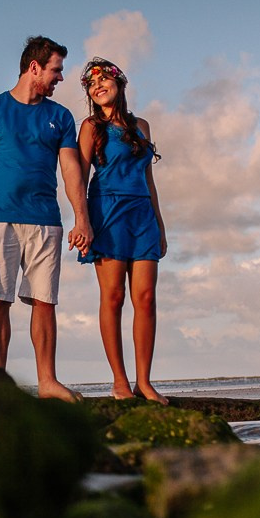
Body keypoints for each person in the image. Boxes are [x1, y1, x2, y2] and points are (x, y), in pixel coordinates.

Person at [0, 36, 93, 402]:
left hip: (45, 220)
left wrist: (81, 219)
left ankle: (47, 382)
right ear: (34, 67)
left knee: (44, 301)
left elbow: (71, 172)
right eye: (56, 70)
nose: (60, 78)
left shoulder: (60, 117)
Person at [76, 57, 168, 404]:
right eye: (91, 83)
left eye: (103, 79)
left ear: (119, 84)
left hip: (141, 213)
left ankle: (144, 382)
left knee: (145, 298)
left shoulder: (141, 124)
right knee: (113, 297)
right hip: (107, 211)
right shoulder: (90, 127)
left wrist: (159, 223)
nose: (97, 86)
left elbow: (148, 176)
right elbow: (79, 177)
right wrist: (82, 219)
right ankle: (119, 381)